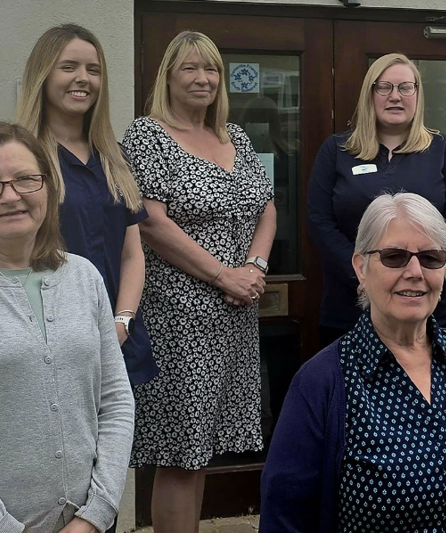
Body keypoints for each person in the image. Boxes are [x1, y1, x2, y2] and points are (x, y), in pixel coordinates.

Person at [260, 192, 446, 533]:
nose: (415, 272)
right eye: (394, 257)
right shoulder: (323, 383)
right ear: (360, 267)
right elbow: (284, 518)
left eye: (431, 258)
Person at [122, 31, 276, 533]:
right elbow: (150, 221)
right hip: (178, 317)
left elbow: (266, 209)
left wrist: (254, 268)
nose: (202, 78)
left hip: (235, 315)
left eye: (210, 69)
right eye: (189, 68)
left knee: (202, 450)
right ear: (168, 76)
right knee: (179, 453)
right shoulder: (147, 136)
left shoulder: (236, 137)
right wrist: (224, 274)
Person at [0, 122, 134, 533]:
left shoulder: (84, 277)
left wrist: (95, 515)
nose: (10, 196)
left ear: (48, 186)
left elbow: (115, 401)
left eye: (26, 179)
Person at [17, 23, 158, 386]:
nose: (83, 78)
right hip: (49, 342)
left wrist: (121, 322)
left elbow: (132, 254)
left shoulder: (114, 158)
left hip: (117, 340)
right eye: (68, 67)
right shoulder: (22, 158)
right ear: (43, 76)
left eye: (93, 70)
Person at [307, 52, 446, 346]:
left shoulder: (444, 150)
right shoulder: (336, 150)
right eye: (384, 87)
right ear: (369, 94)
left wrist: (419, 269)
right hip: (349, 308)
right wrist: (365, 275)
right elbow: (319, 221)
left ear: (417, 94)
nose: (395, 96)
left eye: (405, 87)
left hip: (429, 308)